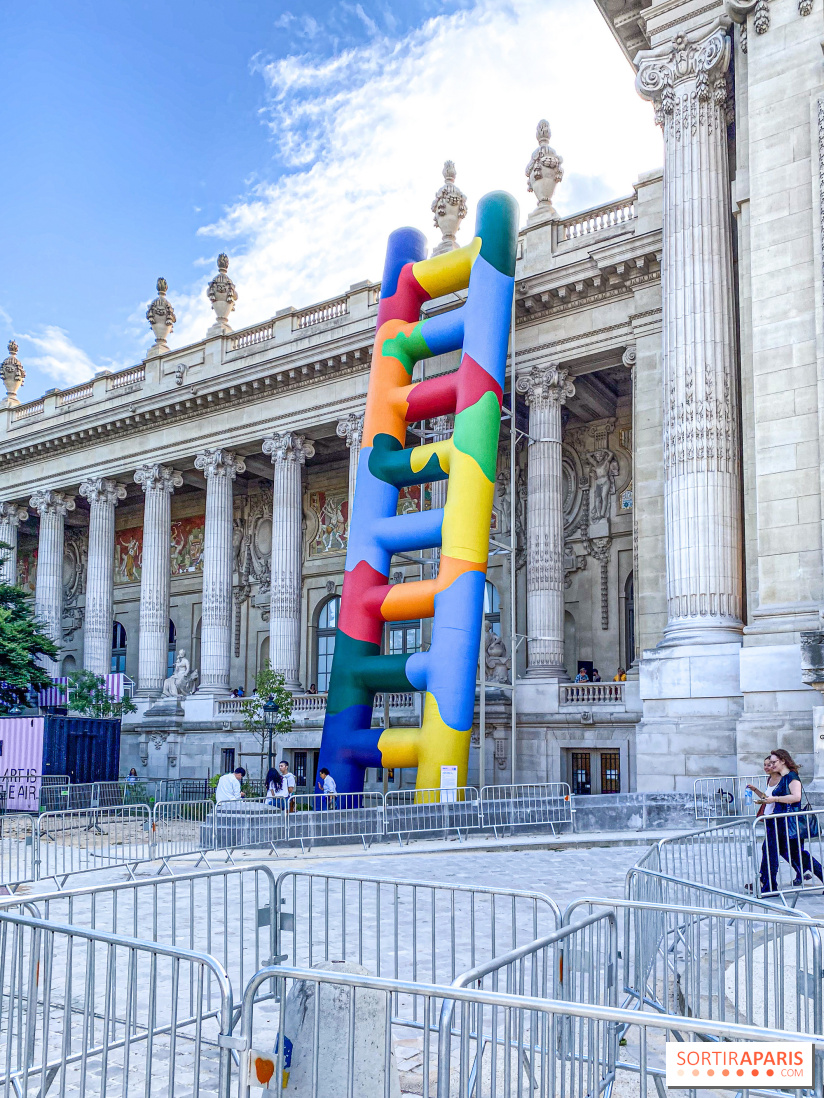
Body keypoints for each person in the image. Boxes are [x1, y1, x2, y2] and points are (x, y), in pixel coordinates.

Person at [751, 749, 823, 893]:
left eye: (774, 762)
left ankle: (768, 886)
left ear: (783, 761)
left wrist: (775, 799)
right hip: (778, 821)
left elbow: (796, 797)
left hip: (787, 821)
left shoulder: (791, 777)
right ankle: (767, 885)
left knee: (794, 854)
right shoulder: (784, 778)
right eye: (770, 762)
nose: (771, 765)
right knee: (772, 851)